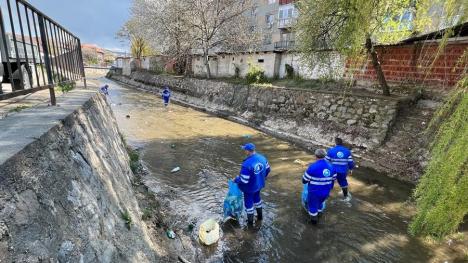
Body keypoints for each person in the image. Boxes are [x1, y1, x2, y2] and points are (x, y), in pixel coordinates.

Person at [234, 143, 270, 226]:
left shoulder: (246, 165)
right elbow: (268, 170)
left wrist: (236, 179)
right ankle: (260, 217)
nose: (244, 151)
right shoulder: (262, 158)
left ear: (247, 151)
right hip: (259, 185)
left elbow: (244, 181)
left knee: (249, 204)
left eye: (244, 149)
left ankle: (250, 226)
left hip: (249, 189)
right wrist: (262, 177)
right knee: (257, 198)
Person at [302, 149, 336, 225]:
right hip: (326, 191)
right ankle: (320, 215)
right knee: (320, 204)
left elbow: (304, 181)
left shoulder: (312, 167)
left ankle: (314, 225)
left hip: (315, 192)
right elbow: (334, 179)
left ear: (315, 156)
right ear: (325, 156)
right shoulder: (331, 166)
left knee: (313, 208)